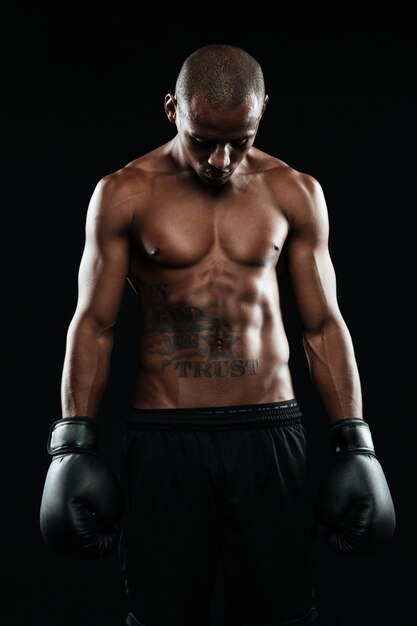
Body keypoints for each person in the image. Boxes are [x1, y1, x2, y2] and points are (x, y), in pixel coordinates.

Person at [40, 43, 396, 626]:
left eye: (241, 140)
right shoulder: (125, 193)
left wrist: (354, 437)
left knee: (282, 614)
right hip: (165, 437)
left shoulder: (294, 192)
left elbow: (323, 323)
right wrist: (72, 440)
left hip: (269, 434)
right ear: (171, 110)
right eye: (203, 139)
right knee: (161, 616)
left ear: (261, 116)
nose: (222, 159)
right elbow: (95, 324)